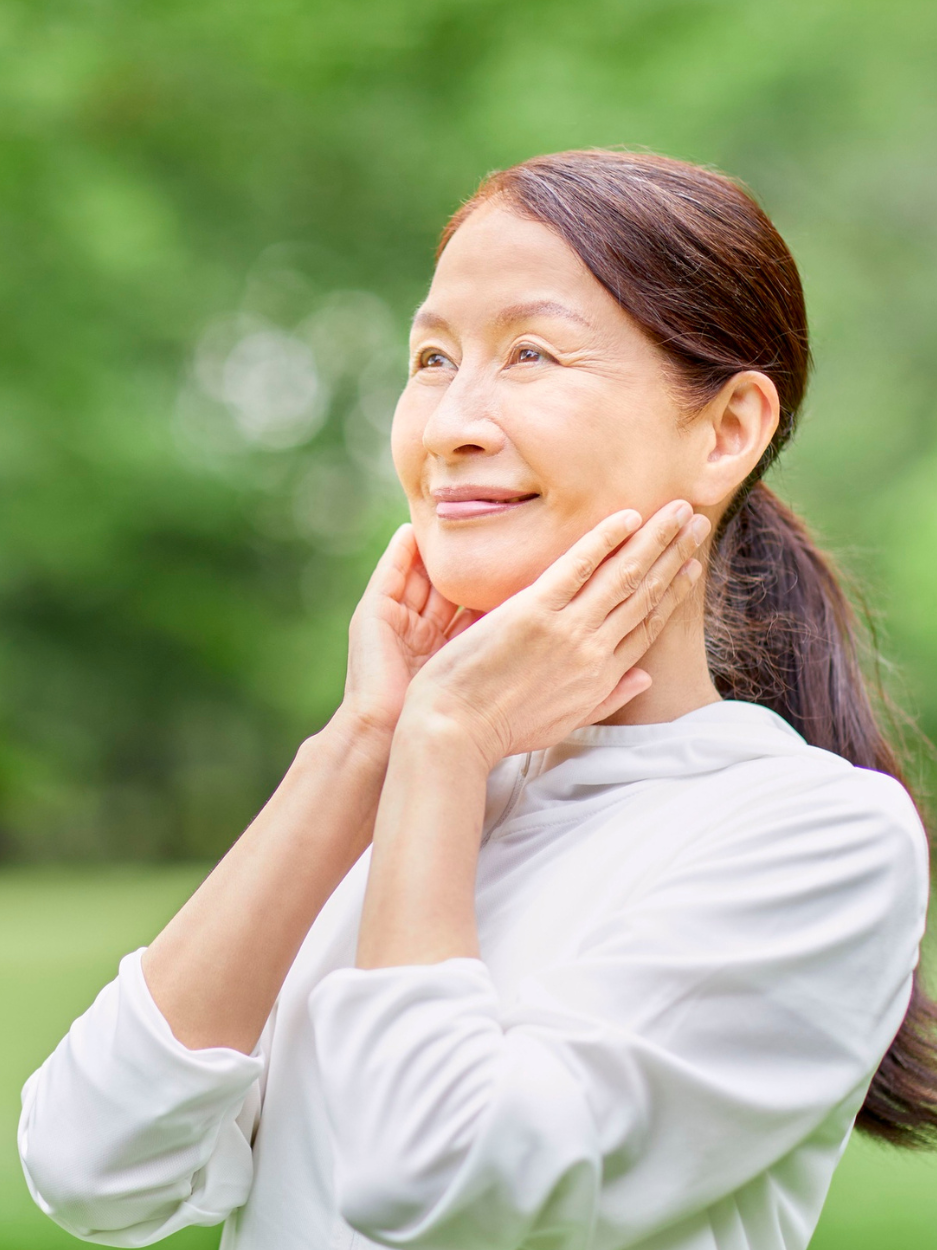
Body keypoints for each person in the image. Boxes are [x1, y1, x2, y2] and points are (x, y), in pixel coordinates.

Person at [18, 149, 937, 1250]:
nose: (451, 420)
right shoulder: (408, 799)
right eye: (432, 356)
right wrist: (366, 741)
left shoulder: (812, 834)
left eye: (531, 352)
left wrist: (441, 747)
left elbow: (442, 1186)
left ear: (727, 429)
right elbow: (89, 1165)